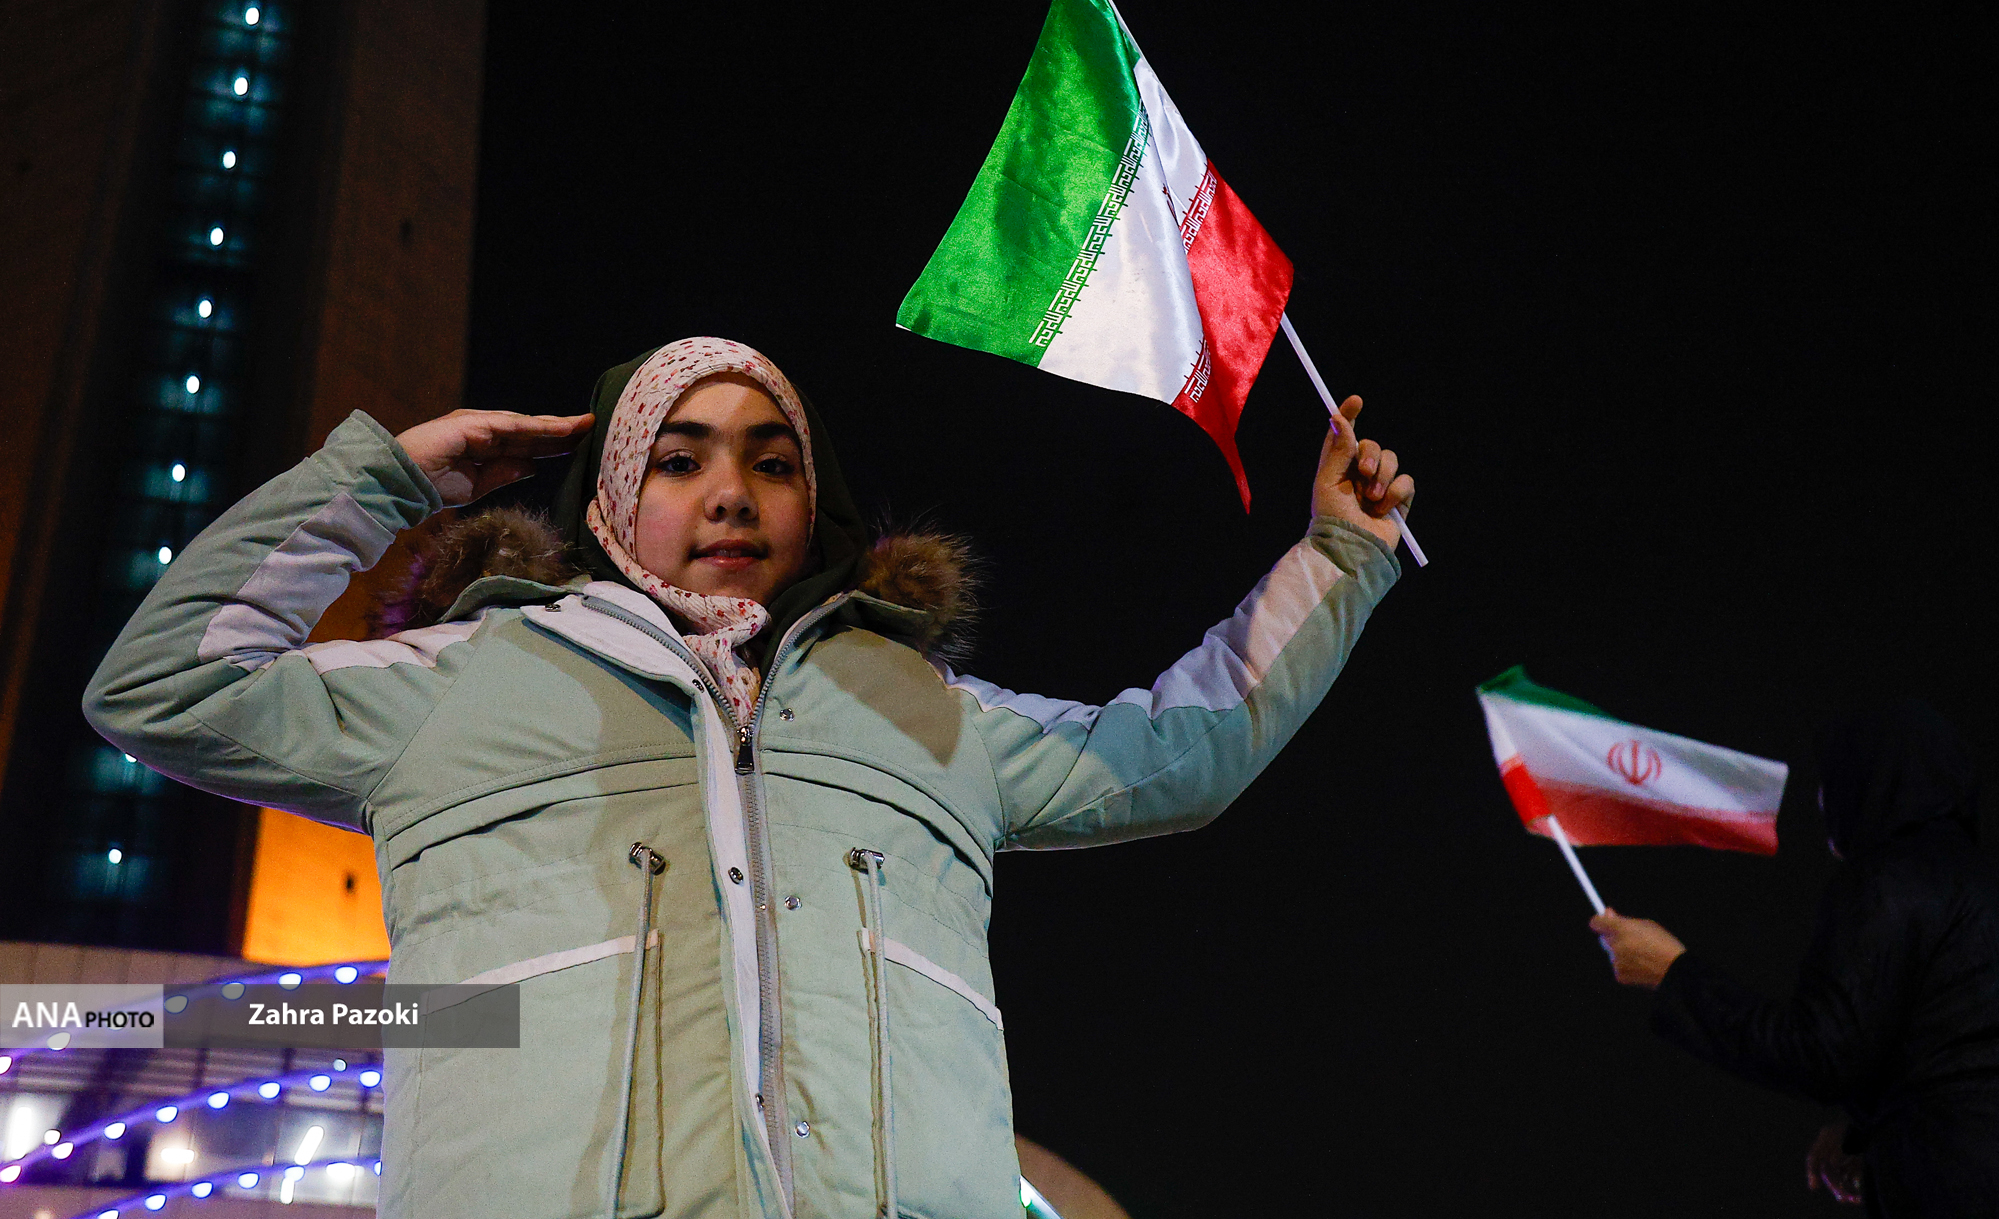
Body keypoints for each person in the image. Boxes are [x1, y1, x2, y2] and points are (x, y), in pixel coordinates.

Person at [85, 337, 1414, 1219]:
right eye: (680, 459)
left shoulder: (923, 710)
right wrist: (383, 483)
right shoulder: (457, 681)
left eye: (771, 463)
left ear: (812, 504)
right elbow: (159, 687)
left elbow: (1182, 752)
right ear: (611, 500)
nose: (730, 492)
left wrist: (1340, 555)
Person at [1593, 701, 1999, 1216]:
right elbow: (1953, 1053)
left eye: (1832, 781)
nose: (1822, 803)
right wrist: (1864, 1130)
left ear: (1871, 782)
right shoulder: (1978, 886)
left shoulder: (1887, 882)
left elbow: (1818, 1053)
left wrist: (1673, 974)